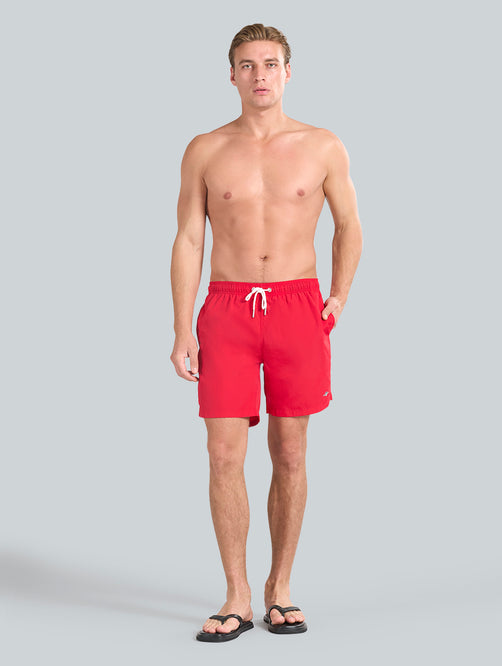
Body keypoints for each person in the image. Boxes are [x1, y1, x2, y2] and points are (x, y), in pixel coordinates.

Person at [170, 23, 363, 642]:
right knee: (223, 453)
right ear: (231, 75)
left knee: (291, 451)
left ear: (288, 72)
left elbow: (349, 224)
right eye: (248, 65)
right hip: (226, 310)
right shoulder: (205, 148)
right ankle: (237, 595)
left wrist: (338, 296)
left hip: (296, 306)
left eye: (271, 63)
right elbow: (189, 239)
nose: (260, 75)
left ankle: (281, 587)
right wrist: (181, 326)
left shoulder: (322, 145)